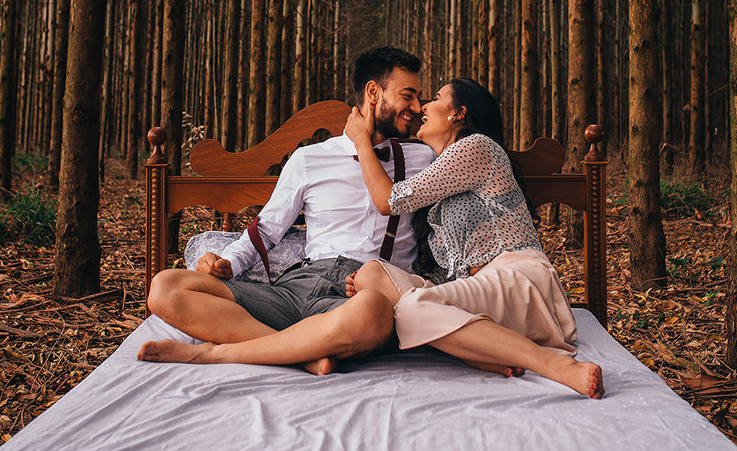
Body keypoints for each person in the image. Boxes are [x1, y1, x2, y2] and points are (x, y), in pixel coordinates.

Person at [138, 47, 436, 374]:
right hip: (296, 289)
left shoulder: (425, 160)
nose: (417, 107)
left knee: (374, 312)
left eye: (419, 97)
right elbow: (265, 231)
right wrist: (227, 263)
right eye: (408, 95)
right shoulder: (309, 160)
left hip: (359, 295)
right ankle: (302, 354)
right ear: (373, 92)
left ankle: (224, 351)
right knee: (165, 287)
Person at [343, 78, 604, 399]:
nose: (423, 105)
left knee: (411, 310)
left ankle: (553, 365)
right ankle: (480, 351)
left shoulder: (476, 147)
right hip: (480, 300)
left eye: (436, 98)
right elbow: (450, 271)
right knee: (372, 274)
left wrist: (361, 142)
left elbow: (388, 201)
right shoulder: (442, 178)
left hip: (518, 281)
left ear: (458, 113)